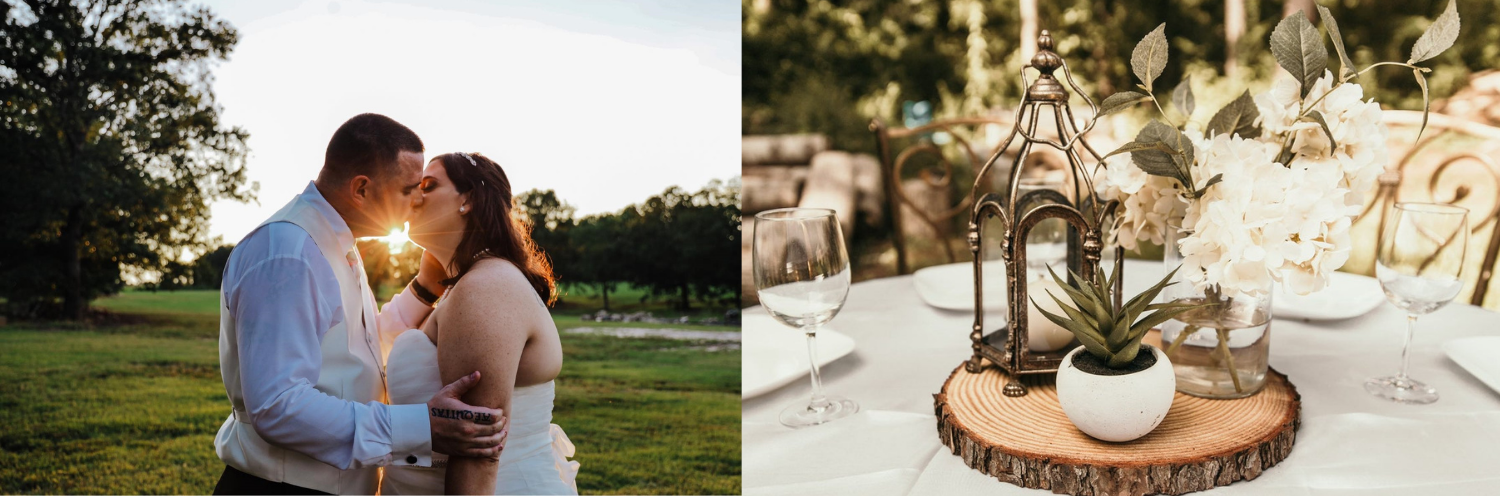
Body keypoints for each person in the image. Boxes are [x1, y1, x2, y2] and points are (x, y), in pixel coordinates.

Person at [213, 113, 508, 495]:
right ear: (361, 189)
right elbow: (278, 405)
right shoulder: (290, 254)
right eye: (408, 189)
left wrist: (422, 289)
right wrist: (421, 428)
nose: (416, 199)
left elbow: (356, 350)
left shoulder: (334, 243)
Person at [381, 151, 579, 494]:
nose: (415, 196)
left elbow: (477, 451)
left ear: (468, 200)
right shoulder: (463, 287)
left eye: (428, 185)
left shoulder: (486, 288)